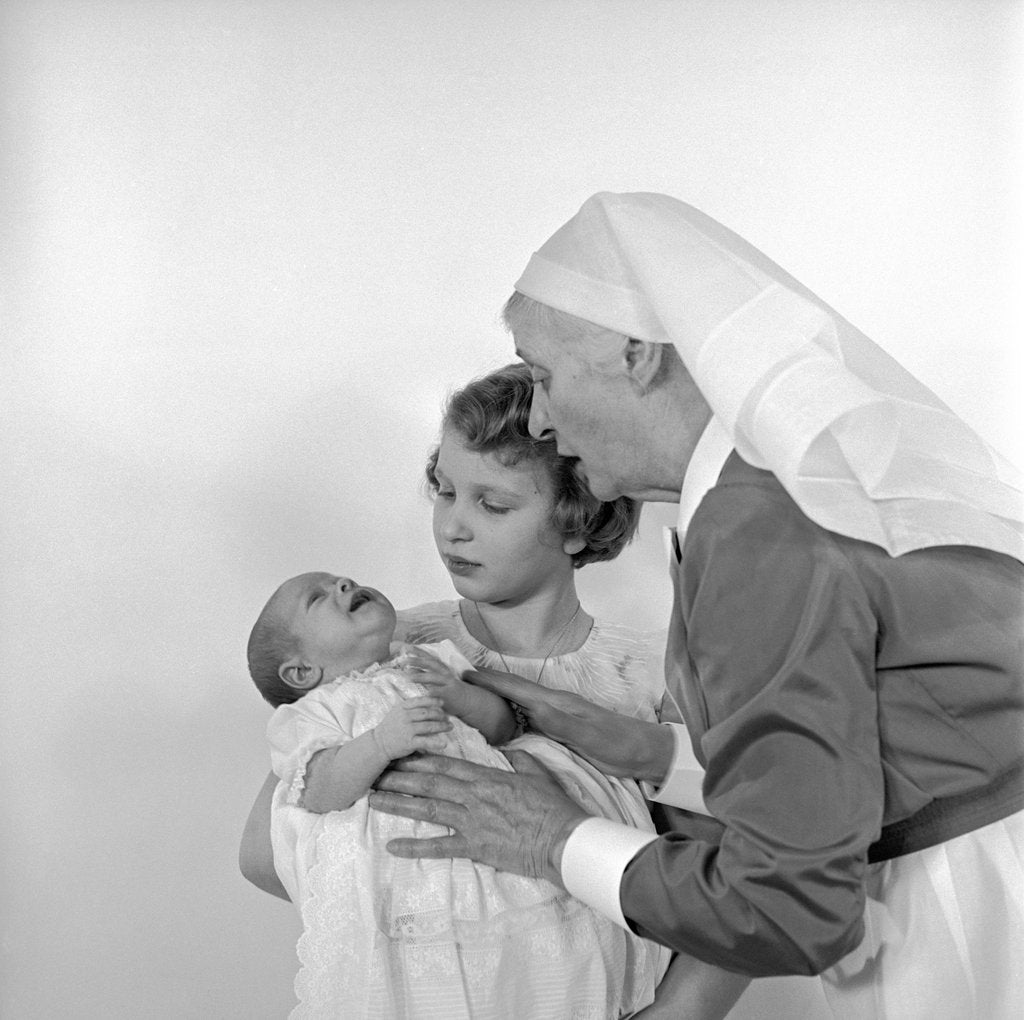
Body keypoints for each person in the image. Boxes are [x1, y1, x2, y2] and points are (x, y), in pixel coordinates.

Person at [368, 192, 1024, 1018]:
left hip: (971, 915)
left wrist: (554, 838)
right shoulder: (768, 489)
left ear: (637, 355)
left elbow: (792, 905)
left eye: (542, 375)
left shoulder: (762, 532)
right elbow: (845, 750)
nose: (538, 414)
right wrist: (650, 753)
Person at [240, 362, 754, 1016]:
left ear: (575, 521)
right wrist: (431, 910)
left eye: (493, 504)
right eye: (446, 490)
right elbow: (266, 850)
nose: (454, 526)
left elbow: (741, 879)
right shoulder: (390, 650)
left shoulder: (647, 677)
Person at [247, 568, 668, 1019]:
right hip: (413, 870)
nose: (343, 586)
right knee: (426, 971)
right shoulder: (314, 713)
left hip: (495, 844)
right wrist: (380, 744)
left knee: (526, 945)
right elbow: (316, 790)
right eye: (319, 597)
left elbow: (501, 727)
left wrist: (456, 693)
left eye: (340, 580)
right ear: (301, 671)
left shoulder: (428, 657)